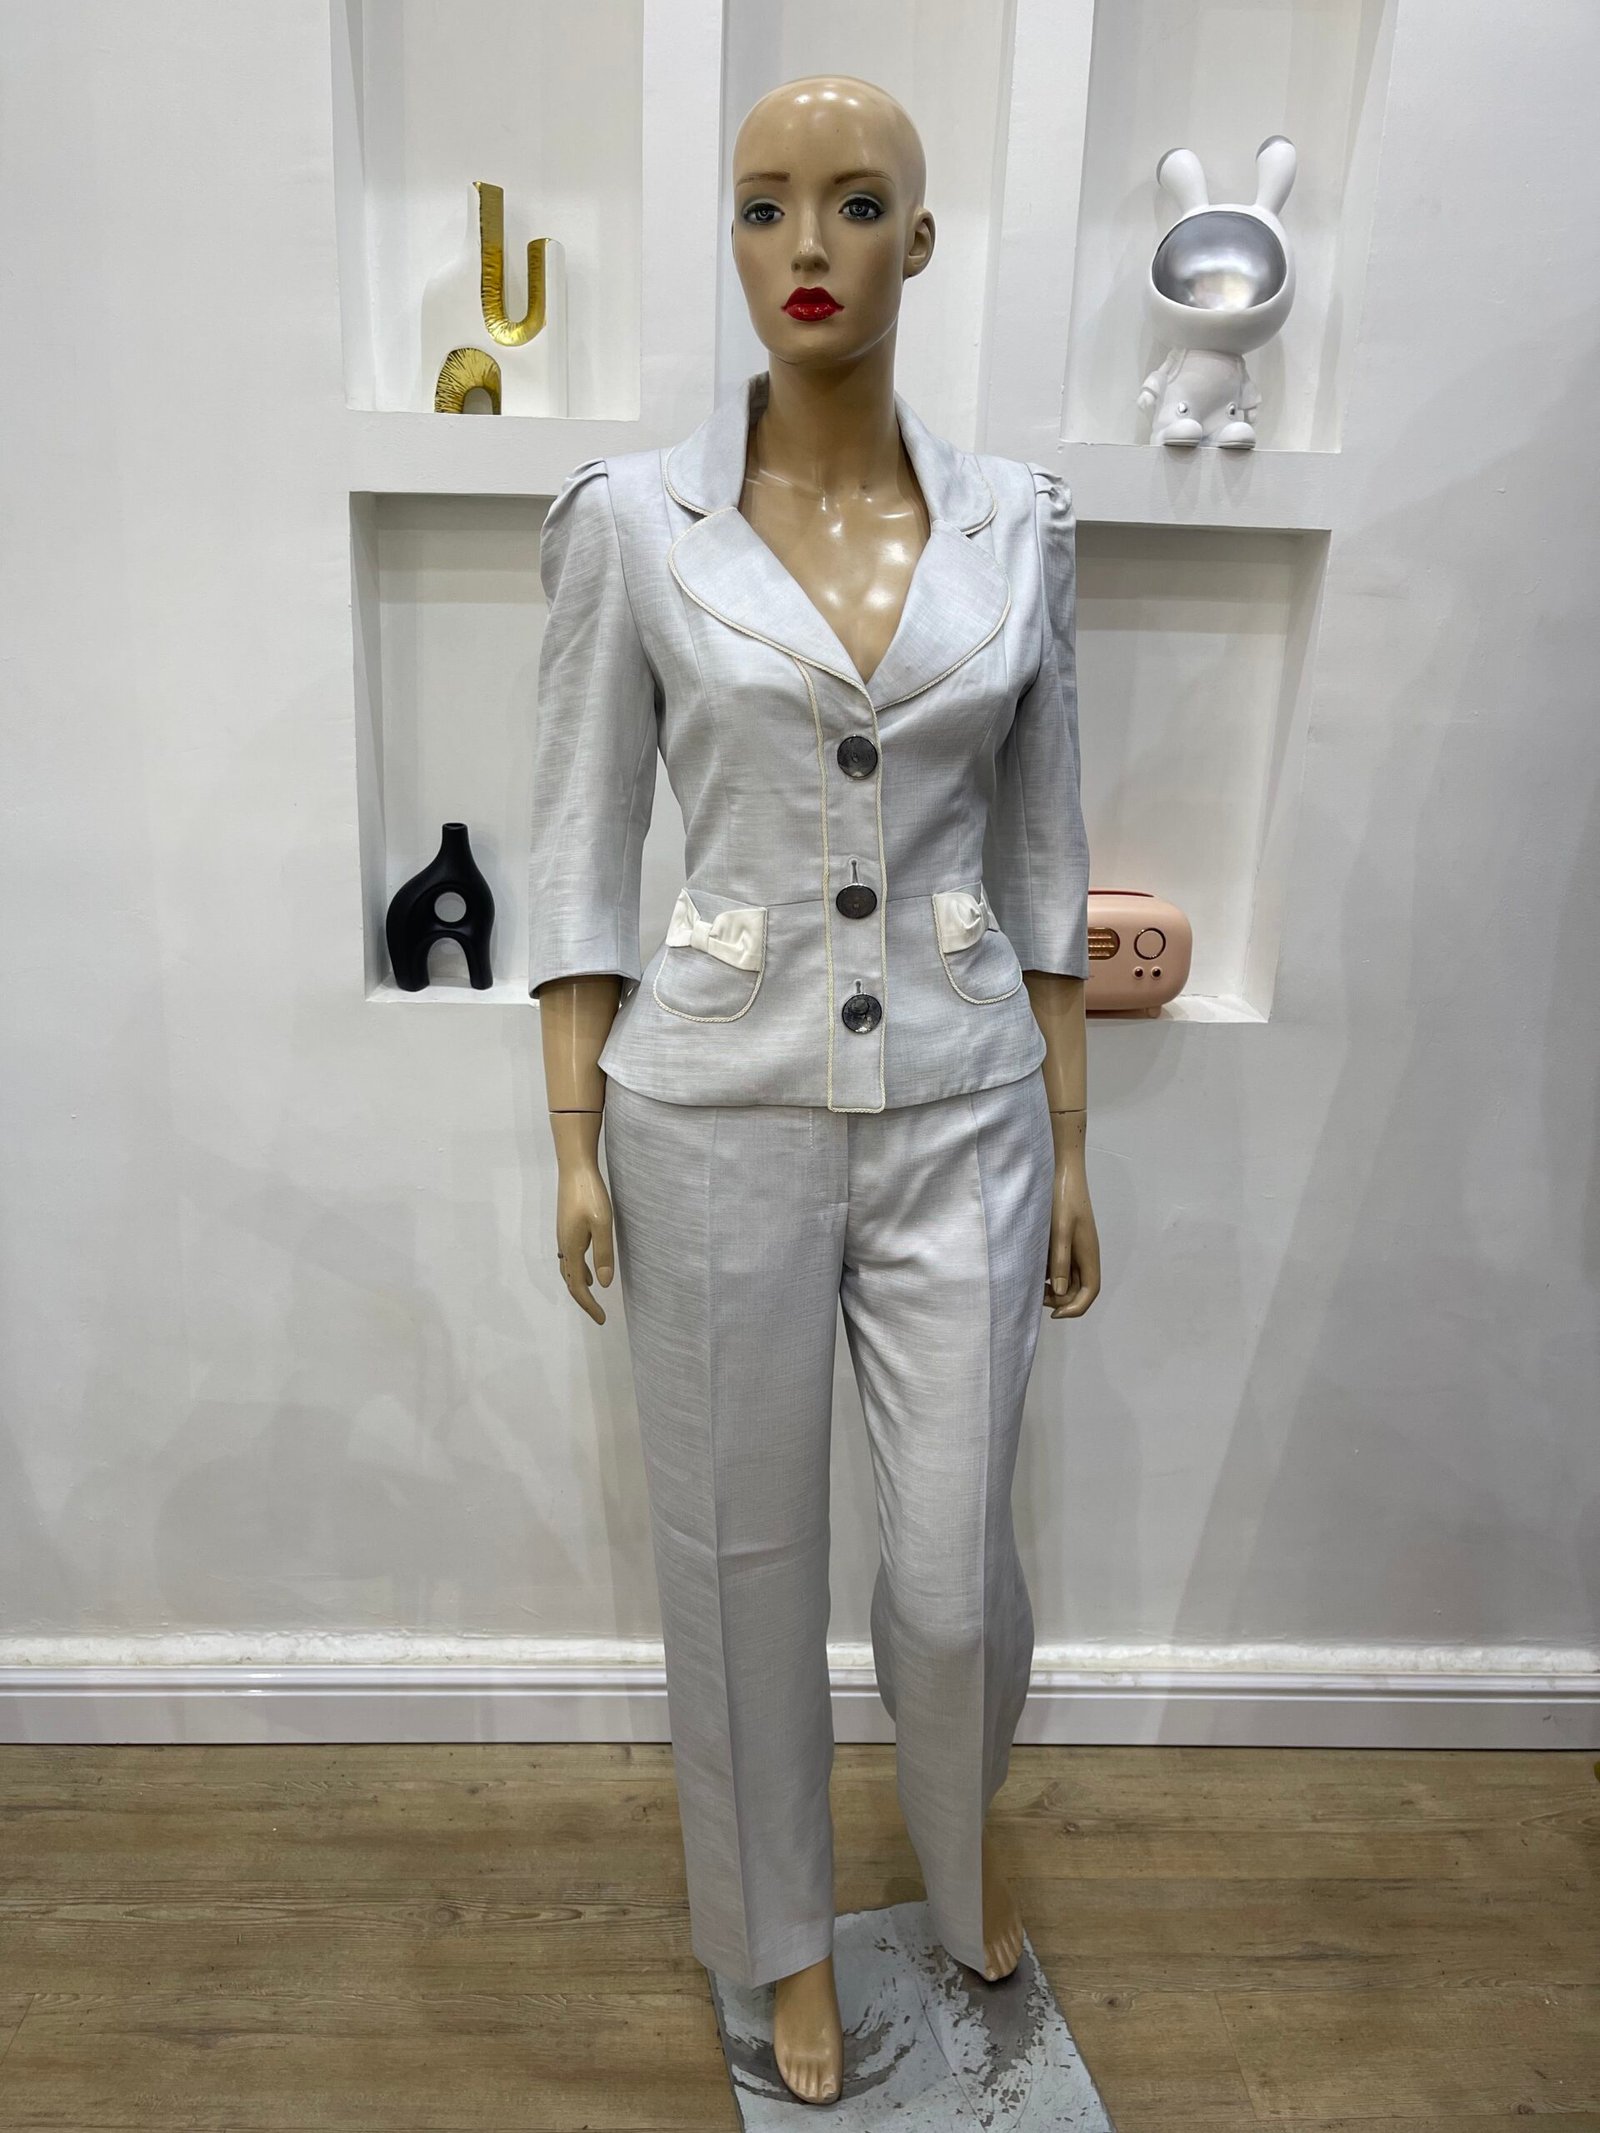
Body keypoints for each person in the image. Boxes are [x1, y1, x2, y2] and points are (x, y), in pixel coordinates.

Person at [529, 74, 1100, 2106]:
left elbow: (1045, 855)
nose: (805, 245)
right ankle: (775, 1937)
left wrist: (1072, 1143)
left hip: (966, 1101)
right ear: (730, 232)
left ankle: (955, 1842)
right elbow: (579, 843)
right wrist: (571, 1135)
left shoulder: (1019, 527)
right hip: (710, 1104)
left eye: (855, 204)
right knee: (734, 1558)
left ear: (916, 243)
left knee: (948, 1577)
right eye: (765, 203)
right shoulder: (634, 523)